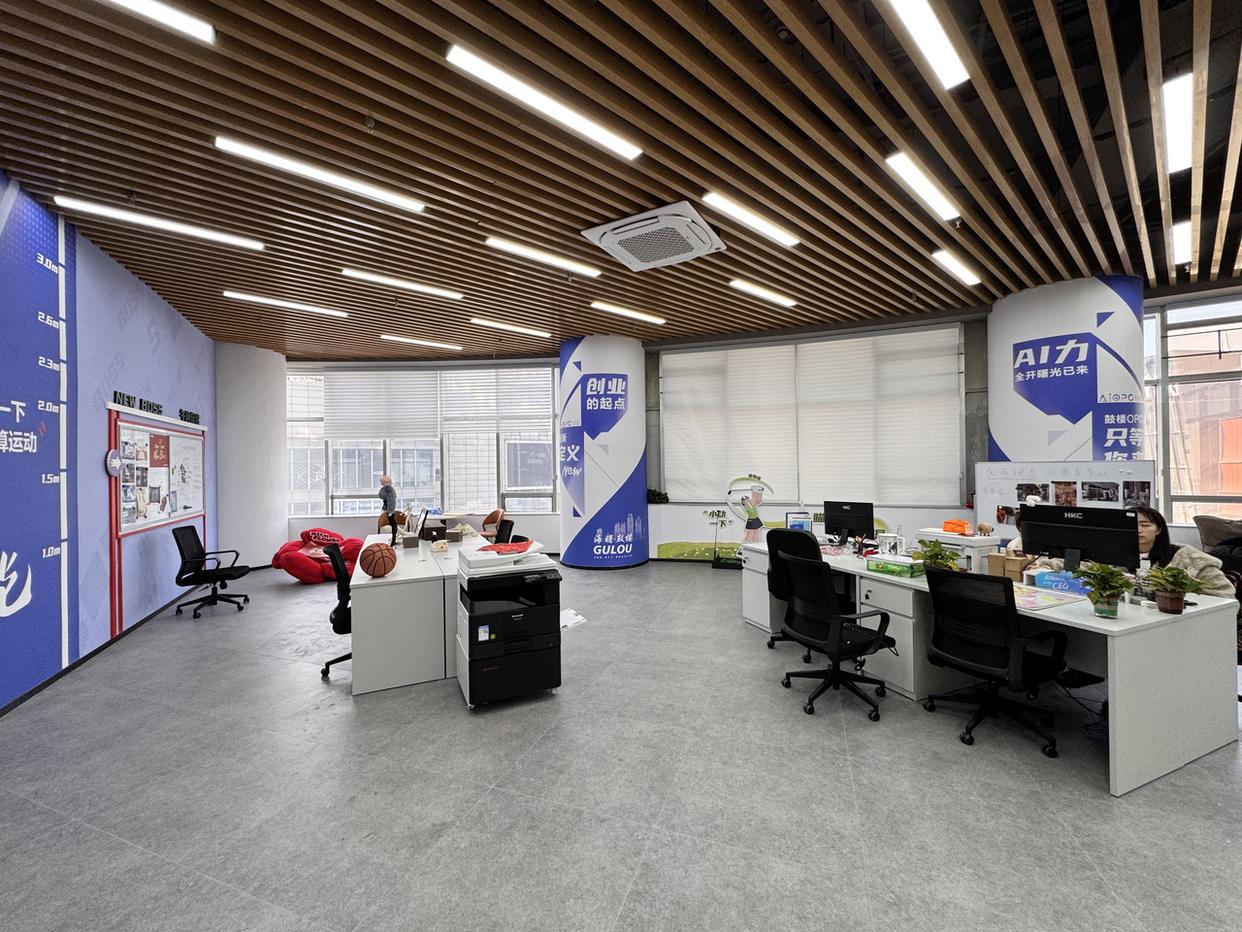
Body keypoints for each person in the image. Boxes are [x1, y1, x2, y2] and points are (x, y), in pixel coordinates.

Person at [1135, 505, 1236, 598]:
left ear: (1159, 529)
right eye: (1132, 525)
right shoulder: (1125, 559)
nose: (1138, 530)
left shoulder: (1191, 559)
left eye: (1145, 525)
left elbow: (1226, 597)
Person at [378, 475, 398, 546]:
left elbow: (391, 501)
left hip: (390, 510)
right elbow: (381, 495)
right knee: (392, 523)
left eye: (385, 481)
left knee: (393, 524)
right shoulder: (385, 489)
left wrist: (390, 511)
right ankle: (393, 539)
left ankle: (394, 540)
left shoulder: (390, 489)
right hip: (387, 509)